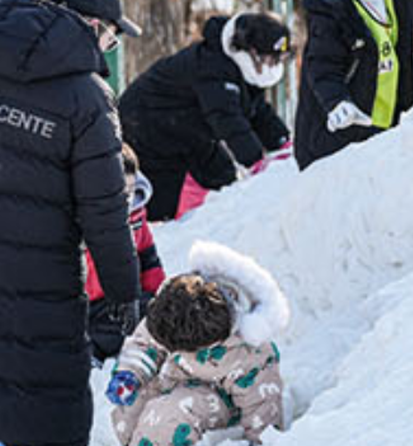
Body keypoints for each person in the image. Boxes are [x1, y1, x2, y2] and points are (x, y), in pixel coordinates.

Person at [0, 0, 143, 445]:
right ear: (94, 25)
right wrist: (124, 292)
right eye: (112, 37)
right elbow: (104, 212)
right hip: (43, 285)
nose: (108, 47)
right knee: (44, 407)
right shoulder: (88, 96)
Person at [106, 241, 290, 446]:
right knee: (133, 405)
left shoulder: (247, 351)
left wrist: (261, 439)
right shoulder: (173, 311)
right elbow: (145, 342)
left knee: (168, 415)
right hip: (173, 380)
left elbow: (262, 403)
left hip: (217, 397)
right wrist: (130, 373)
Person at [119, 12, 294, 221]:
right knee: (163, 202)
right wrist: (255, 161)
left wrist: (282, 143)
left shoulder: (239, 68)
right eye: (268, 60)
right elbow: (227, 119)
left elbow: (257, 110)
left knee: (225, 179)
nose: (272, 67)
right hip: (150, 128)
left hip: (190, 130)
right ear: (250, 51)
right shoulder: (212, 67)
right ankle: (162, 238)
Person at [293, 0, 413, 170]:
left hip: (384, 126)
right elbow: (323, 65)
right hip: (335, 136)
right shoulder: (332, 9)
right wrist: (337, 102)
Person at [86, 144, 167, 363]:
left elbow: (147, 256)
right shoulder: (82, 221)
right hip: (80, 306)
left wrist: (156, 293)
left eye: (129, 192)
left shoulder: (135, 215)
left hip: (116, 299)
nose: (125, 201)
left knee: (154, 314)